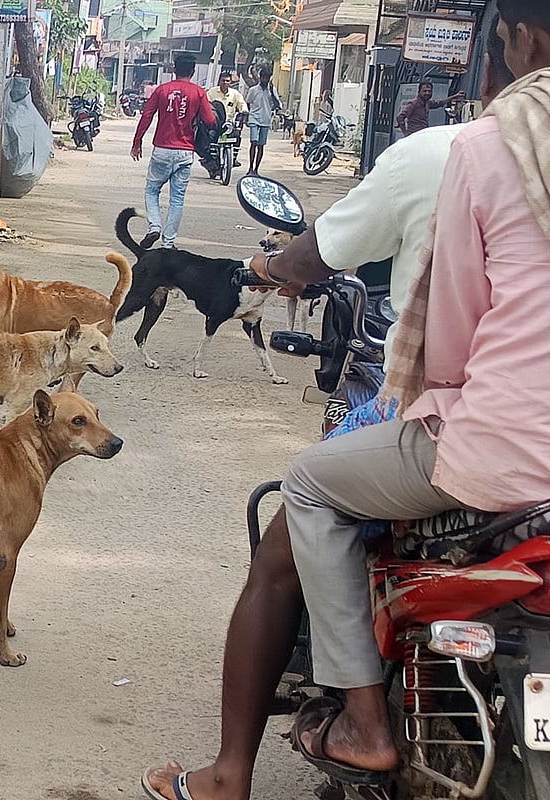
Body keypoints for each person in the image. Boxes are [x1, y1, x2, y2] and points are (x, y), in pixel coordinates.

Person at [140, 13, 523, 799]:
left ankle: (266, 761)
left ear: (511, 49)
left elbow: (442, 338)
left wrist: (270, 267)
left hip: (488, 430)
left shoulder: (463, 154)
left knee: (305, 495)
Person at [129, 53, 216, 250]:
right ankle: (168, 243)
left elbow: (146, 116)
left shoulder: (161, 90)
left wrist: (137, 142)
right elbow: (210, 121)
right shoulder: (198, 92)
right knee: (177, 199)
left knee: (152, 190)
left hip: (162, 149)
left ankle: (154, 226)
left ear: (174, 70)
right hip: (185, 152)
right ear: (193, 72)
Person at [244, 66, 280, 176]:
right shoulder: (253, 90)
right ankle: (250, 167)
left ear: (269, 78)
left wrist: (272, 92)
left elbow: (277, 105)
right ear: (260, 77)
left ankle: (256, 169)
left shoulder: (272, 90)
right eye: (263, 77)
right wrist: (248, 116)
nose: (264, 80)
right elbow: (247, 102)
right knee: (253, 142)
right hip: (254, 118)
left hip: (266, 119)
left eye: (267, 78)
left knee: (261, 145)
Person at [396, 80, 466, 136]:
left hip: (423, 134)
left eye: (429, 91)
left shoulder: (427, 103)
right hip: (414, 134)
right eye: (424, 91)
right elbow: (400, 117)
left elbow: (440, 103)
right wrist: (406, 133)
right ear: (419, 92)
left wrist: (455, 96)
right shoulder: (413, 103)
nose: (427, 93)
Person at [208, 71, 247, 167]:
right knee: (209, 137)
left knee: (237, 135)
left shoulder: (235, 94)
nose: (225, 83)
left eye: (227, 81)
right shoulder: (212, 92)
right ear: (219, 81)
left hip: (229, 123)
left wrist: (244, 111)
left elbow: (242, 104)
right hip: (215, 122)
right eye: (223, 80)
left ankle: (233, 158)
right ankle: (209, 158)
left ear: (230, 82)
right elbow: (206, 104)